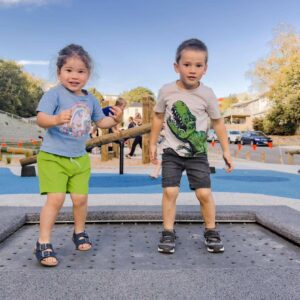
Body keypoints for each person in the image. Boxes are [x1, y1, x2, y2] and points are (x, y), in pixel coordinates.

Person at [35, 44, 122, 267]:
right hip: (53, 156)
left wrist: (117, 119)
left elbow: (101, 122)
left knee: (80, 199)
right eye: (69, 70)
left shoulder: (90, 99)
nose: (74, 76)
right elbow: (41, 118)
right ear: (59, 73)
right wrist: (55, 119)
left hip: (79, 158)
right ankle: (43, 242)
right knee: (55, 199)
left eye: (81, 71)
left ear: (88, 75)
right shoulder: (54, 94)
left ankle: (79, 232)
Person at [149, 38, 233, 254]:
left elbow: (218, 122)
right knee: (170, 191)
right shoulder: (166, 91)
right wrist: (152, 144)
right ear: (176, 66)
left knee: (204, 194)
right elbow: (158, 118)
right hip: (171, 151)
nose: (192, 70)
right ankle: (168, 231)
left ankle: (211, 230)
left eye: (198, 65)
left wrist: (226, 150)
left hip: (197, 154)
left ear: (205, 68)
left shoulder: (207, 94)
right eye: (187, 65)